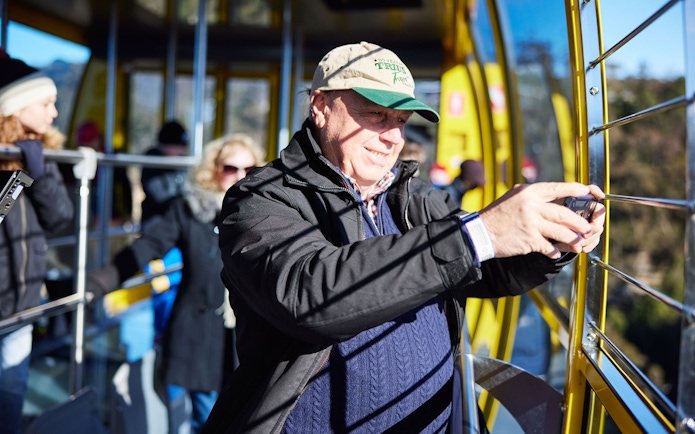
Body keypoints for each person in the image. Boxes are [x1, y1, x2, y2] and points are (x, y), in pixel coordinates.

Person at [202, 41, 605, 433]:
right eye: (376, 114)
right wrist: (476, 234)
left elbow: (488, 270)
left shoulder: (416, 199)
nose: (393, 137)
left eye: (400, 121)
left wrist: (552, 239)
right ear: (322, 107)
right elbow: (309, 296)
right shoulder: (261, 198)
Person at [86, 134, 264, 433]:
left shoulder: (265, 212)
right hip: (198, 333)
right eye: (230, 168)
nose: (239, 176)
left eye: (249, 170)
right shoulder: (188, 209)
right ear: (214, 169)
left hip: (245, 334)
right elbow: (149, 246)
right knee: (206, 417)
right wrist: (100, 282)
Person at [0, 51, 74, 434]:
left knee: (12, 390)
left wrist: (39, 174)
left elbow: (60, 217)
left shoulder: (41, 149)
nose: (54, 112)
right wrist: (19, 174)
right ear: (15, 106)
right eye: (46, 102)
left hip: (24, 299)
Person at [140, 119, 188, 222]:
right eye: (178, 147)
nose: (181, 152)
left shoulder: (181, 163)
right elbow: (160, 196)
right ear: (166, 145)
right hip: (156, 221)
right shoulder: (153, 162)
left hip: (177, 221)